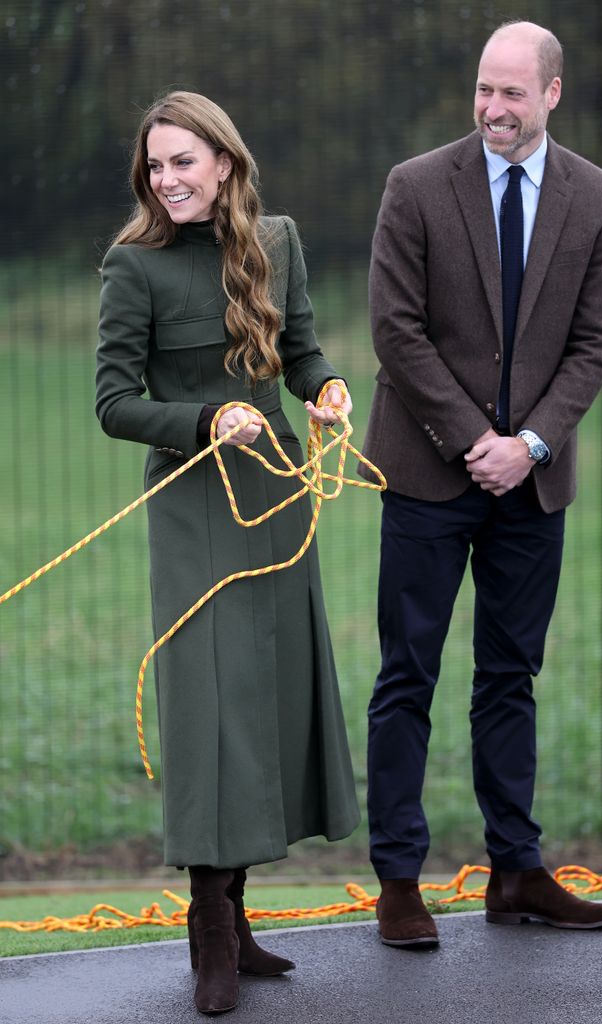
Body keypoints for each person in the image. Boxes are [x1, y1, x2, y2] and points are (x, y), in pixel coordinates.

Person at [359, 21, 602, 947]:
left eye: (513, 93)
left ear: (553, 94)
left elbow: (596, 341)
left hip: (533, 486)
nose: (494, 110)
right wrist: (478, 437)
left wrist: (533, 446)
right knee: (408, 676)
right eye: (485, 90)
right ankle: (398, 881)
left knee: (511, 677)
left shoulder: (600, 199)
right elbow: (395, 330)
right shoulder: (418, 186)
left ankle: (515, 870)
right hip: (429, 472)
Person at [96, 91, 359, 1013]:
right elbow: (112, 404)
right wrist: (207, 417)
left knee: (269, 699)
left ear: (225, 163)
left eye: (182, 162)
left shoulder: (276, 241)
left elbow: (303, 351)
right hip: (193, 501)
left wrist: (324, 390)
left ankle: (241, 916)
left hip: (279, 492)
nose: (166, 179)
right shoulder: (133, 266)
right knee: (211, 706)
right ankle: (207, 921)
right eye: (155, 166)